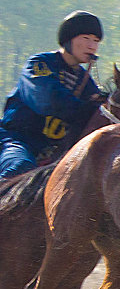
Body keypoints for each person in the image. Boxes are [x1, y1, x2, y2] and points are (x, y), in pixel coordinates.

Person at [0, 11, 105, 179]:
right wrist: (85, 109)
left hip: (54, 151)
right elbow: (47, 99)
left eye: (96, 41)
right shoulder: (39, 64)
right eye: (86, 38)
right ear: (68, 38)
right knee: (19, 168)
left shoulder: (87, 85)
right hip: (17, 140)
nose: (92, 46)